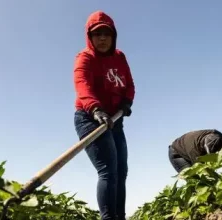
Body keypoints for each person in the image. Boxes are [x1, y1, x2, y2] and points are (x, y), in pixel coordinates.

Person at [72, 10, 135, 220]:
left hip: (114, 119)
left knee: (121, 171)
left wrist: (127, 101)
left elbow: (129, 84)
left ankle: (120, 216)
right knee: (108, 170)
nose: (102, 38)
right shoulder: (84, 58)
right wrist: (95, 108)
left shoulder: (119, 57)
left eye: (106, 34)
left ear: (113, 36)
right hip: (90, 118)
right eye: (97, 34)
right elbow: (82, 85)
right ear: (89, 37)